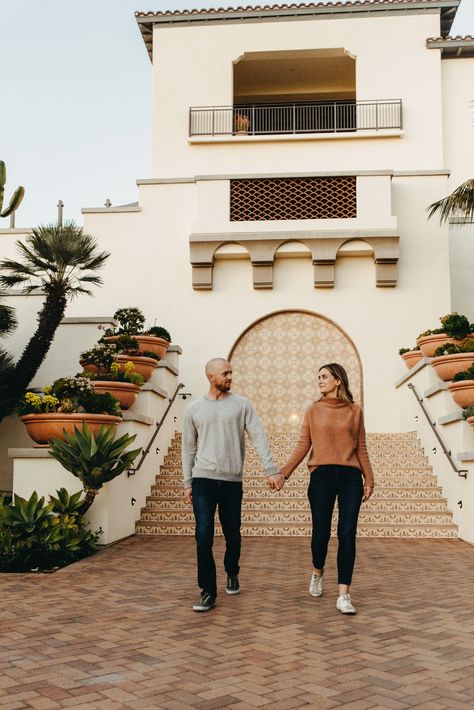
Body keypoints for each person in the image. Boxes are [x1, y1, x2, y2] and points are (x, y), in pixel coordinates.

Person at [271, 363, 374, 615]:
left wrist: (369, 479)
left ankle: (344, 594)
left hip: (350, 476)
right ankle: (318, 571)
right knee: (321, 533)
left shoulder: (355, 410)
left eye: (324, 376)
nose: (319, 380)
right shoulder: (313, 410)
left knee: (347, 533)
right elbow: (302, 445)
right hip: (322, 476)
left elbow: (361, 447)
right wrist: (284, 472)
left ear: (338, 380)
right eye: (318, 377)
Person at [182, 357, 280, 612]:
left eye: (230, 372)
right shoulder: (194, 409)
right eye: (225, 373)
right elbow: (188, 448)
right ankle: (207, 591)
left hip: (231, 482)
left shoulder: (242, 405)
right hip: (203, 479)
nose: (229, 377)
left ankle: (232, 571)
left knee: (232, 534)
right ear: (211, 377)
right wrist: (187, 482)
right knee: (203, 534)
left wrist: (270, 469)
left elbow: (258, 436)